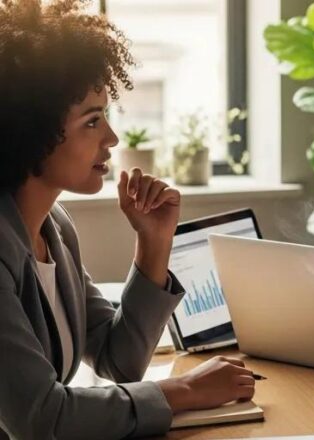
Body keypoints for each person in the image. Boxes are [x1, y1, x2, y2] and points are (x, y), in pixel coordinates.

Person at [0, 1, 255, 438]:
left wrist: (153, 243)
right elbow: (42, 417)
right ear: (31, 130)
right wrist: (186, 389)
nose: (112, 139)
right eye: (92, 122)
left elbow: (118, 360)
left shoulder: (53, 228)